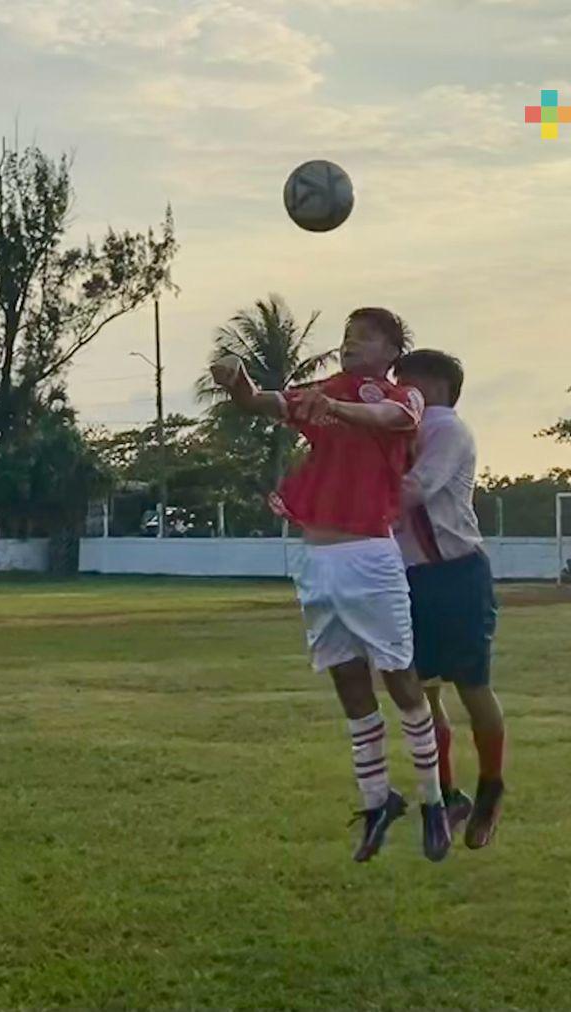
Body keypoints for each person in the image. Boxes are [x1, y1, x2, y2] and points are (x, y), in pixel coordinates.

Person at [211, 307, 449, 863]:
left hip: (369, 557)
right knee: (348, 681)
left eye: (366, 337)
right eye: (347, 336)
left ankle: (434, 802)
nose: (352, 344)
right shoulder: (323, 390)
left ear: (392, 351)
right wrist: (238, 380)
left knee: (401, 679)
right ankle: (376, 801)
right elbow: (262, 403)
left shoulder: (401, 395)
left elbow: (394, 420)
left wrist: (334, 407)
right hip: (317, 561)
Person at [393, 350, 507, 850]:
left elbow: (414, 491)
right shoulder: (402, 428)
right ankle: (446, 793)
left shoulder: (443, 428)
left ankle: (490, 789)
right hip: (409, 574)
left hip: (455, 573)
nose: (399, 393)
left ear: (436, 387)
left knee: (471, 684)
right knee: (418, 688)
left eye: (407, 383)